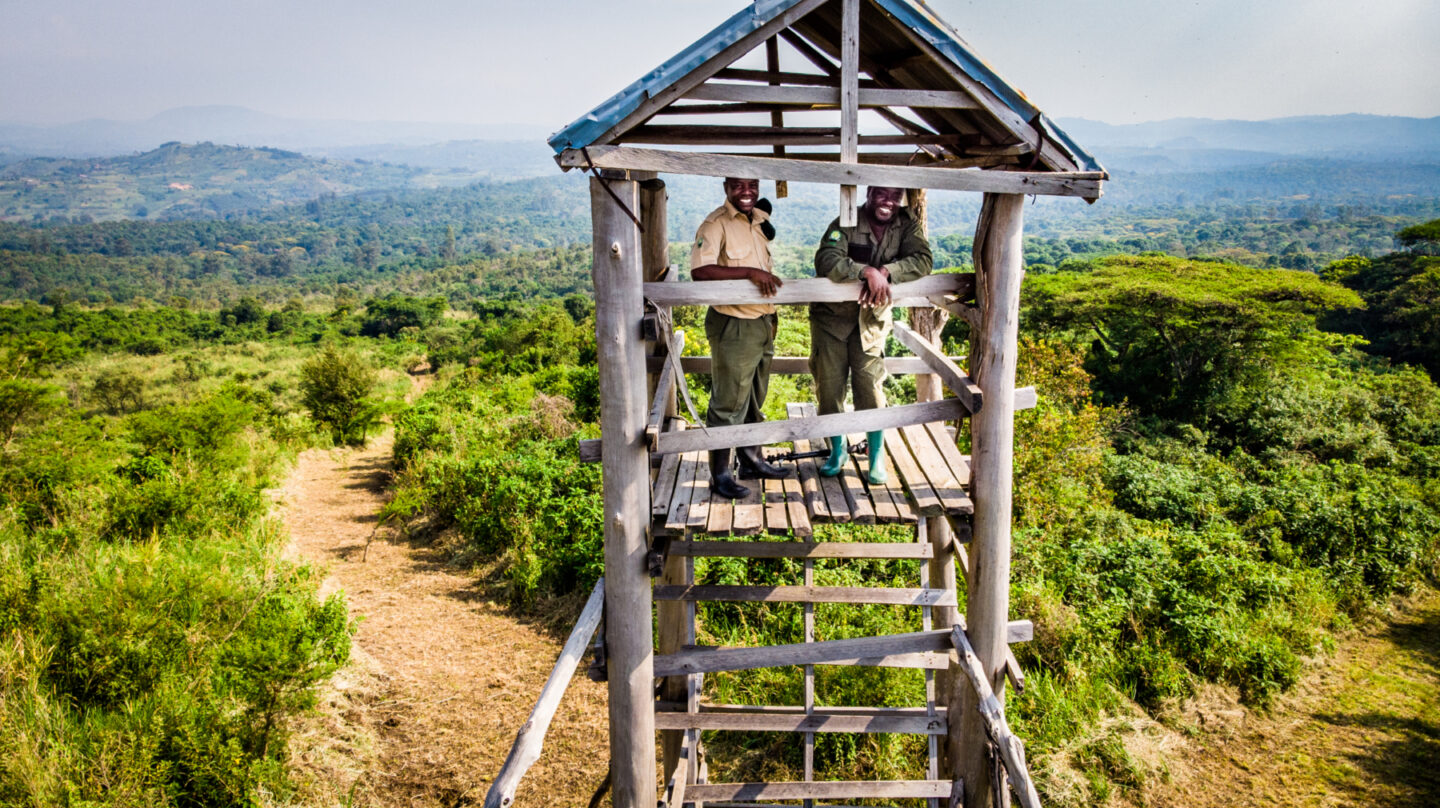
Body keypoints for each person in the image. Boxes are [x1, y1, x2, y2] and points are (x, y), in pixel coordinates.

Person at [810, 186, 933, 484]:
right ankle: (836, 449)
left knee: (870, 387)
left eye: (894, 196)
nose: (888, 202)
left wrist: (888, 271)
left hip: (872, 321)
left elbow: (923, 259)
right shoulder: (847, 221)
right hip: (831, 320)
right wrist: (866, 271)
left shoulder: (906, 224)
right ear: (868, 193)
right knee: (829, 387)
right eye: (881, 194)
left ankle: (876, 453)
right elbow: (826, 258)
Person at [692, 177, 792, 499]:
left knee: (753, 398)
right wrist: (750, 272)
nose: (746, 191)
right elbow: (701, 271)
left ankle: (751, 460)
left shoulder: (757, 221)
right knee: (728, 402)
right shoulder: (715, 224)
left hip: (763, 320)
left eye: (752, 185)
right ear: (725, 187)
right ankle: (720, 475)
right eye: (738, 186)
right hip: (734, 322)